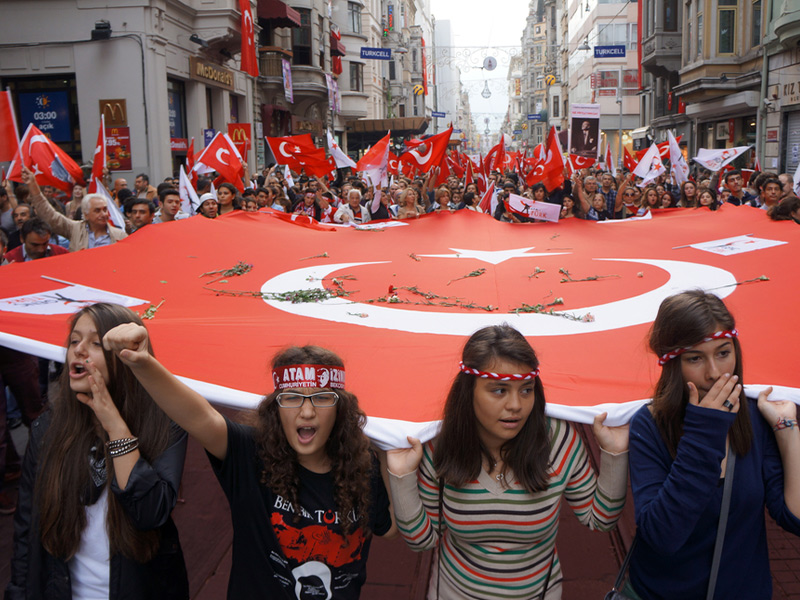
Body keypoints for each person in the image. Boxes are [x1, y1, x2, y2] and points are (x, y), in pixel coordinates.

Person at [100, 327, 396, 600]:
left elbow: (389, 527)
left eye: (321, 398)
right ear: (275, 408)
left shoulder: (364, 466)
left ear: (340, 408)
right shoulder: (252, 457)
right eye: (291, 398)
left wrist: (396, 467)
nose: (306, 412)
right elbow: (200, 416)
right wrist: (142, 362)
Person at [386, 325, 628, 599]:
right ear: (469, 392)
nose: (516, 405)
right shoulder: (439, 445)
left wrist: (614, 454)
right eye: (499, 390)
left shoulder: (559, 440)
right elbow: (421, 540)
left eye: (526, 390)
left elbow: (600, 518)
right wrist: (402, 475)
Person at [7, 303, 189, 599]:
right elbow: (27, 528)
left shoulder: (165, 424)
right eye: (74, 341)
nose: (79, 350)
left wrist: (115, 426)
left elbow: (150, 513)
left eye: (95, 343)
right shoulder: (48, 429)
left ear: (126, 358)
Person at [627, 291, 800, 599]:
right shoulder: (649, 424)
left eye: (723, 352)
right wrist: (704, 434)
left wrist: (787, 428)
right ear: (672, 364)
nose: (715, 372)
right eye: (695, 358)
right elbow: (661, 536)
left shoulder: (754, 417)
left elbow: (794, 517)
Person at [23, 167, 127, 251]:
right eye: (97, 210)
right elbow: (50, 216)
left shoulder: (120, 235)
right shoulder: (74, 229)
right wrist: (33, 186)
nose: (103, 214)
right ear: (86, 214)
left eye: (105, 209)